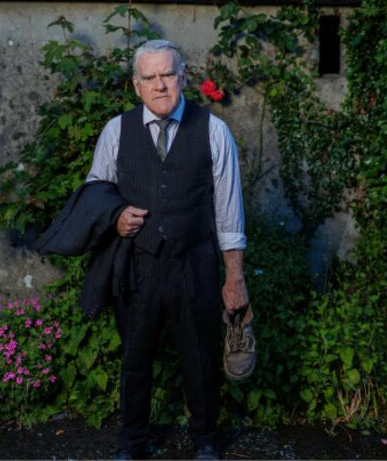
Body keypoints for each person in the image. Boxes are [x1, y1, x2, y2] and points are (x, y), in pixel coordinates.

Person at [86, 39, 249, 460]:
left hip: (193, 264)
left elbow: (229, 214)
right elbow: (95, 195)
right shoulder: (114, 131)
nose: (160, 85)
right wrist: (116, 215)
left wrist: (235, 278)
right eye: (149, 77)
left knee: (200, 356)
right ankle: (132, 442)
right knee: (135, 357)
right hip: (136, 266)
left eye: (167, 74)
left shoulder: (214, 131)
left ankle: (206, 439)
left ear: (183, 78)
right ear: (136, 85)